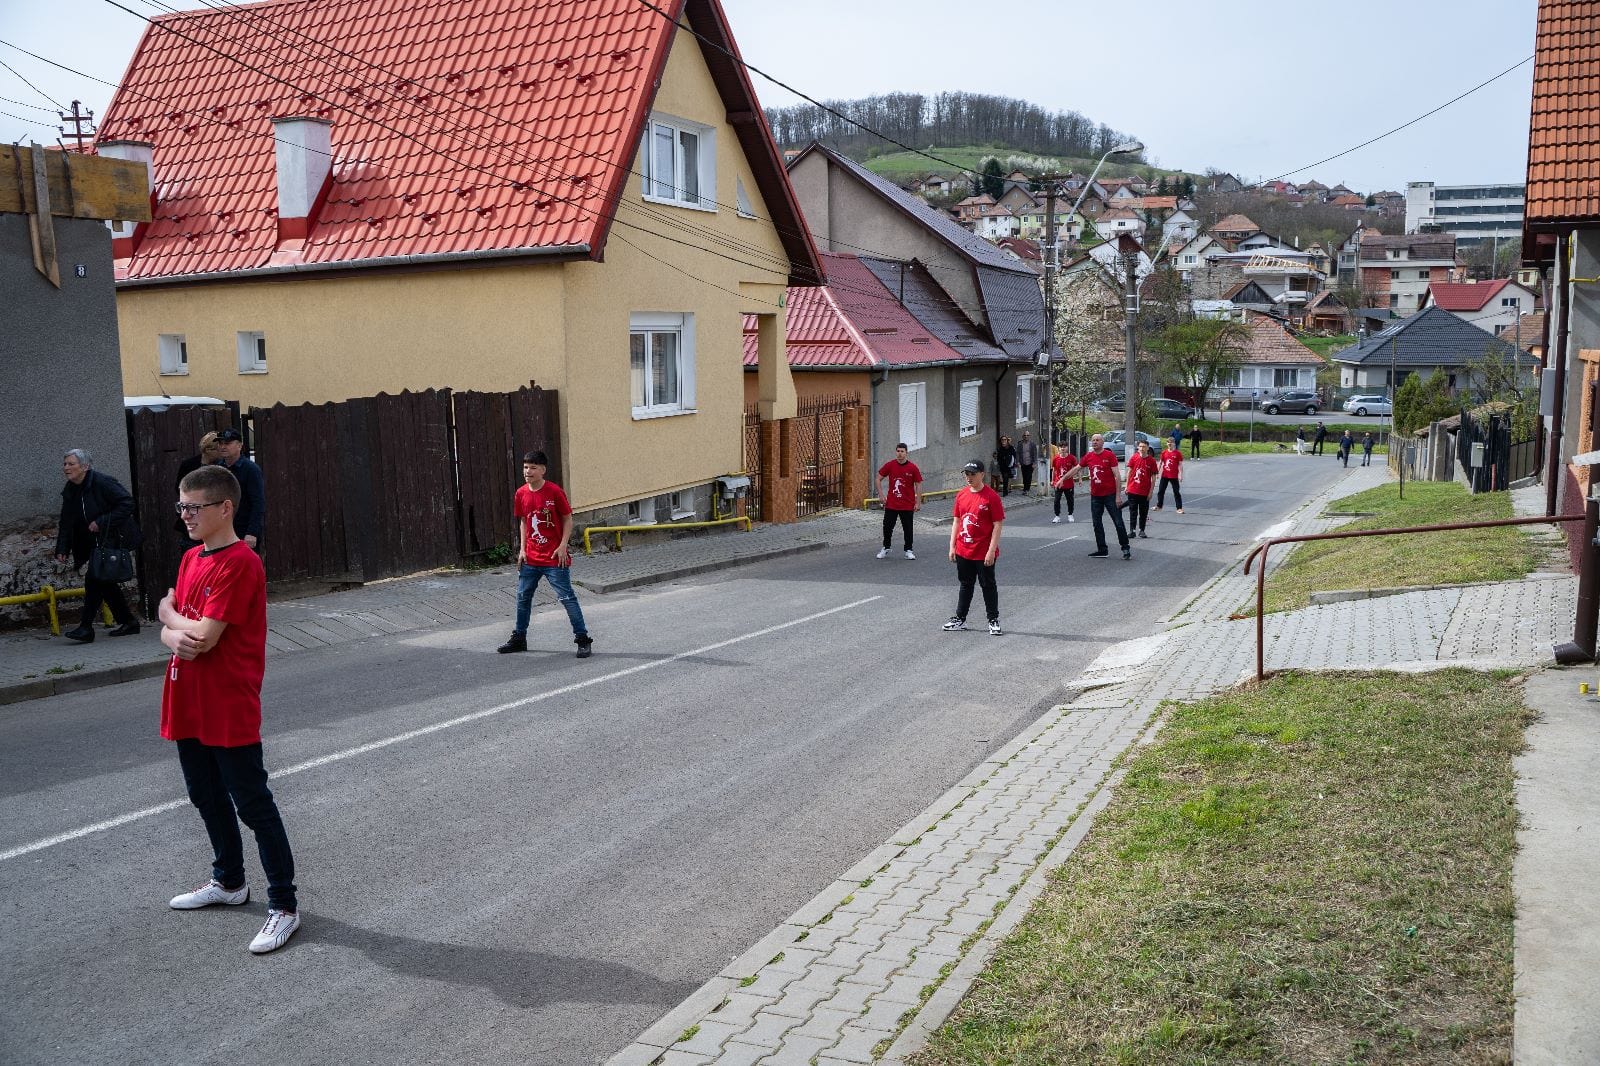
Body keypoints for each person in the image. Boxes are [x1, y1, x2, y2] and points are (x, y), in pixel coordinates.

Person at [160, 464, 301, 954]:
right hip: (187, 697)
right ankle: (229, 881)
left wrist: (166, 617)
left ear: (225, 508)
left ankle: (283, 905)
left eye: (194, 507)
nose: (185, 516)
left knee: (253, 804)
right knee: (204, 795)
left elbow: (202, 636)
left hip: (227, 702)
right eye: (182, 507)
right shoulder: (190, 558)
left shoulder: (240, 562)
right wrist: (173, 628)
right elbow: (179, 638)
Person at [497, 451, 593, 658]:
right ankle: (519, 638)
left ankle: (583, 639)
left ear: (543, 470)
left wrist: (562, 546)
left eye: (532, 467)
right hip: (530, 558)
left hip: (553, 558)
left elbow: (568, 519)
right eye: (525, 467)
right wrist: (522, 549)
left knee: (567, 598)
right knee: (523, 598)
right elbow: (523, 521)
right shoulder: (521, 493)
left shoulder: (554, 492)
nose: (527, 471)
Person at [54, 448, 142, 642]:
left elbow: (127, 503)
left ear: (84, 467)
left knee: (94, 579)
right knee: (105, 582)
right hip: (92, 543)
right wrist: (62, 548)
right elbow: (66, 522)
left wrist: (102, 522)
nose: (66, 468)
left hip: (112, 539)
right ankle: (129, 621)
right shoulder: (70, 490)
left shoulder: (102, 482)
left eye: (71, 464)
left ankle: (86, 628)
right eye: (65, 464)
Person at [943, 460, 1005, 636]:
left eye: (973, 474)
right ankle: (960, 619)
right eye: (967, 474)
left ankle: (993, 620)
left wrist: (991, 550)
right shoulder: (962, 495)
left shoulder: (991, 497)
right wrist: (952, 546)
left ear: (982, 475)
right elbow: (956, 520)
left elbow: (997, 524)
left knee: (988, 585)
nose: (969, 477)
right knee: (966, 584)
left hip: (983, 551)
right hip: (964, 550)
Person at [1081, 434, 1131, 560]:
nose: (1095, 442)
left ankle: (1125, 548)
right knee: (1097, 523)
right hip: (1095, 497)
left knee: (1118, 522)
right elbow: (1077, 468)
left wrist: (1118, 496)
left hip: (1110, 495)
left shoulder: (1109, 456)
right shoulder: (1089, 456)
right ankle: (1102, 549)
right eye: (1093, 440)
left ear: (1103, 442)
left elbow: (1117, 476)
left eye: (1097, 440)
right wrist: (1063, 479)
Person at [213, 428, 265, 551]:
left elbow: (258, 502)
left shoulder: (250, 469)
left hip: (243, 530)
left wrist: (252, 532)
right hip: (222, 529)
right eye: (220, 443)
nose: (223, 447)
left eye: (227, 443)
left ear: (239, 445)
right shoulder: (217, 469)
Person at [175, 431, 222, 548]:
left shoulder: (221, 466)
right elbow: (179, 487)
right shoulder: (189, 465)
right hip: (192, 514)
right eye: (218, 449)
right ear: (208, 450)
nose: (221, 451)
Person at [875, 443, 922, 559]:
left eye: (902, 451)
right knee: (887, 526)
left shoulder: (912, 468)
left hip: (907, 504)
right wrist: (881, 495)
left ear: (906, 453)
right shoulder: (890, 465)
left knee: (908, 528)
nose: (899, 454)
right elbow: (878, 478)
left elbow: (918, 484)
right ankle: (886, 547)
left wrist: (918, 502)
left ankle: (908, 550)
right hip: (891, 504)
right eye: (898, 451)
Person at [1124, 439, 1158, 539]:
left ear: (1147, 448)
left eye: (1144, 447)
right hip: (1133, 489)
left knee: (1143, 512)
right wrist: (1127, 486)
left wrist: (1151, 492)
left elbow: (1154, 477)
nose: (1142, 449)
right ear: (1138, 447)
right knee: (1133, 511)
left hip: (1144, 491)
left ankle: (1142, 530)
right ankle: (1132, 530)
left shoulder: (1151, 461)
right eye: (1140, 446)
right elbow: (1129, 472)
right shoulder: (1134, 458)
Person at [1050, 442, 1079, 524]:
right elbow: (1054, 470)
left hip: (1069, 484)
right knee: (1056, 500)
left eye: (1064, 447)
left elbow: (1077, 468)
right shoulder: (1056, 458)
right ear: (1059, 448)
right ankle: (1057, 516)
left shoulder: (1072, 458)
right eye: (1061, 447)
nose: (1062, 448)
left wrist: (1079, 478)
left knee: (1070, 500)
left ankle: (1070, 514)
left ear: (1067, 448)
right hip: (1058, 483)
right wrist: (1052, 480)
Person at [1155, 437, 1184, 513]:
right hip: (1165, 475)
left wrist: (1180, 475)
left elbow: (1180, 465)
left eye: (1171, 443)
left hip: (1174, 476)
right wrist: (1157, 472)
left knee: (1176, 492)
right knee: (1161, 491)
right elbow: (1160, 463)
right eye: (1168, 443)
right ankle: (1159, 506)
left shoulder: (1178, 453)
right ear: (1167, 444)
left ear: (1174, 443)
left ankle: (1179, 508)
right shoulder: (1164, 453)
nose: (1169, 444)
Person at [1017, 431, 1038, 495]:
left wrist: (1034, 463)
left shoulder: (1032, 444)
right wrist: (1017, 462)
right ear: (1023, 436)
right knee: (1024, 475)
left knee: (1029, 476)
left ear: (1029, 436)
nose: (1026, 436)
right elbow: (1017, 453)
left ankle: (1026, 488)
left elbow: (1035, 454)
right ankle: (1025, 487)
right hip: (1023, 462)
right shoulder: (1020, 444)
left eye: (1027, 435)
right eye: (1025, 435)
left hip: (1030, 462)